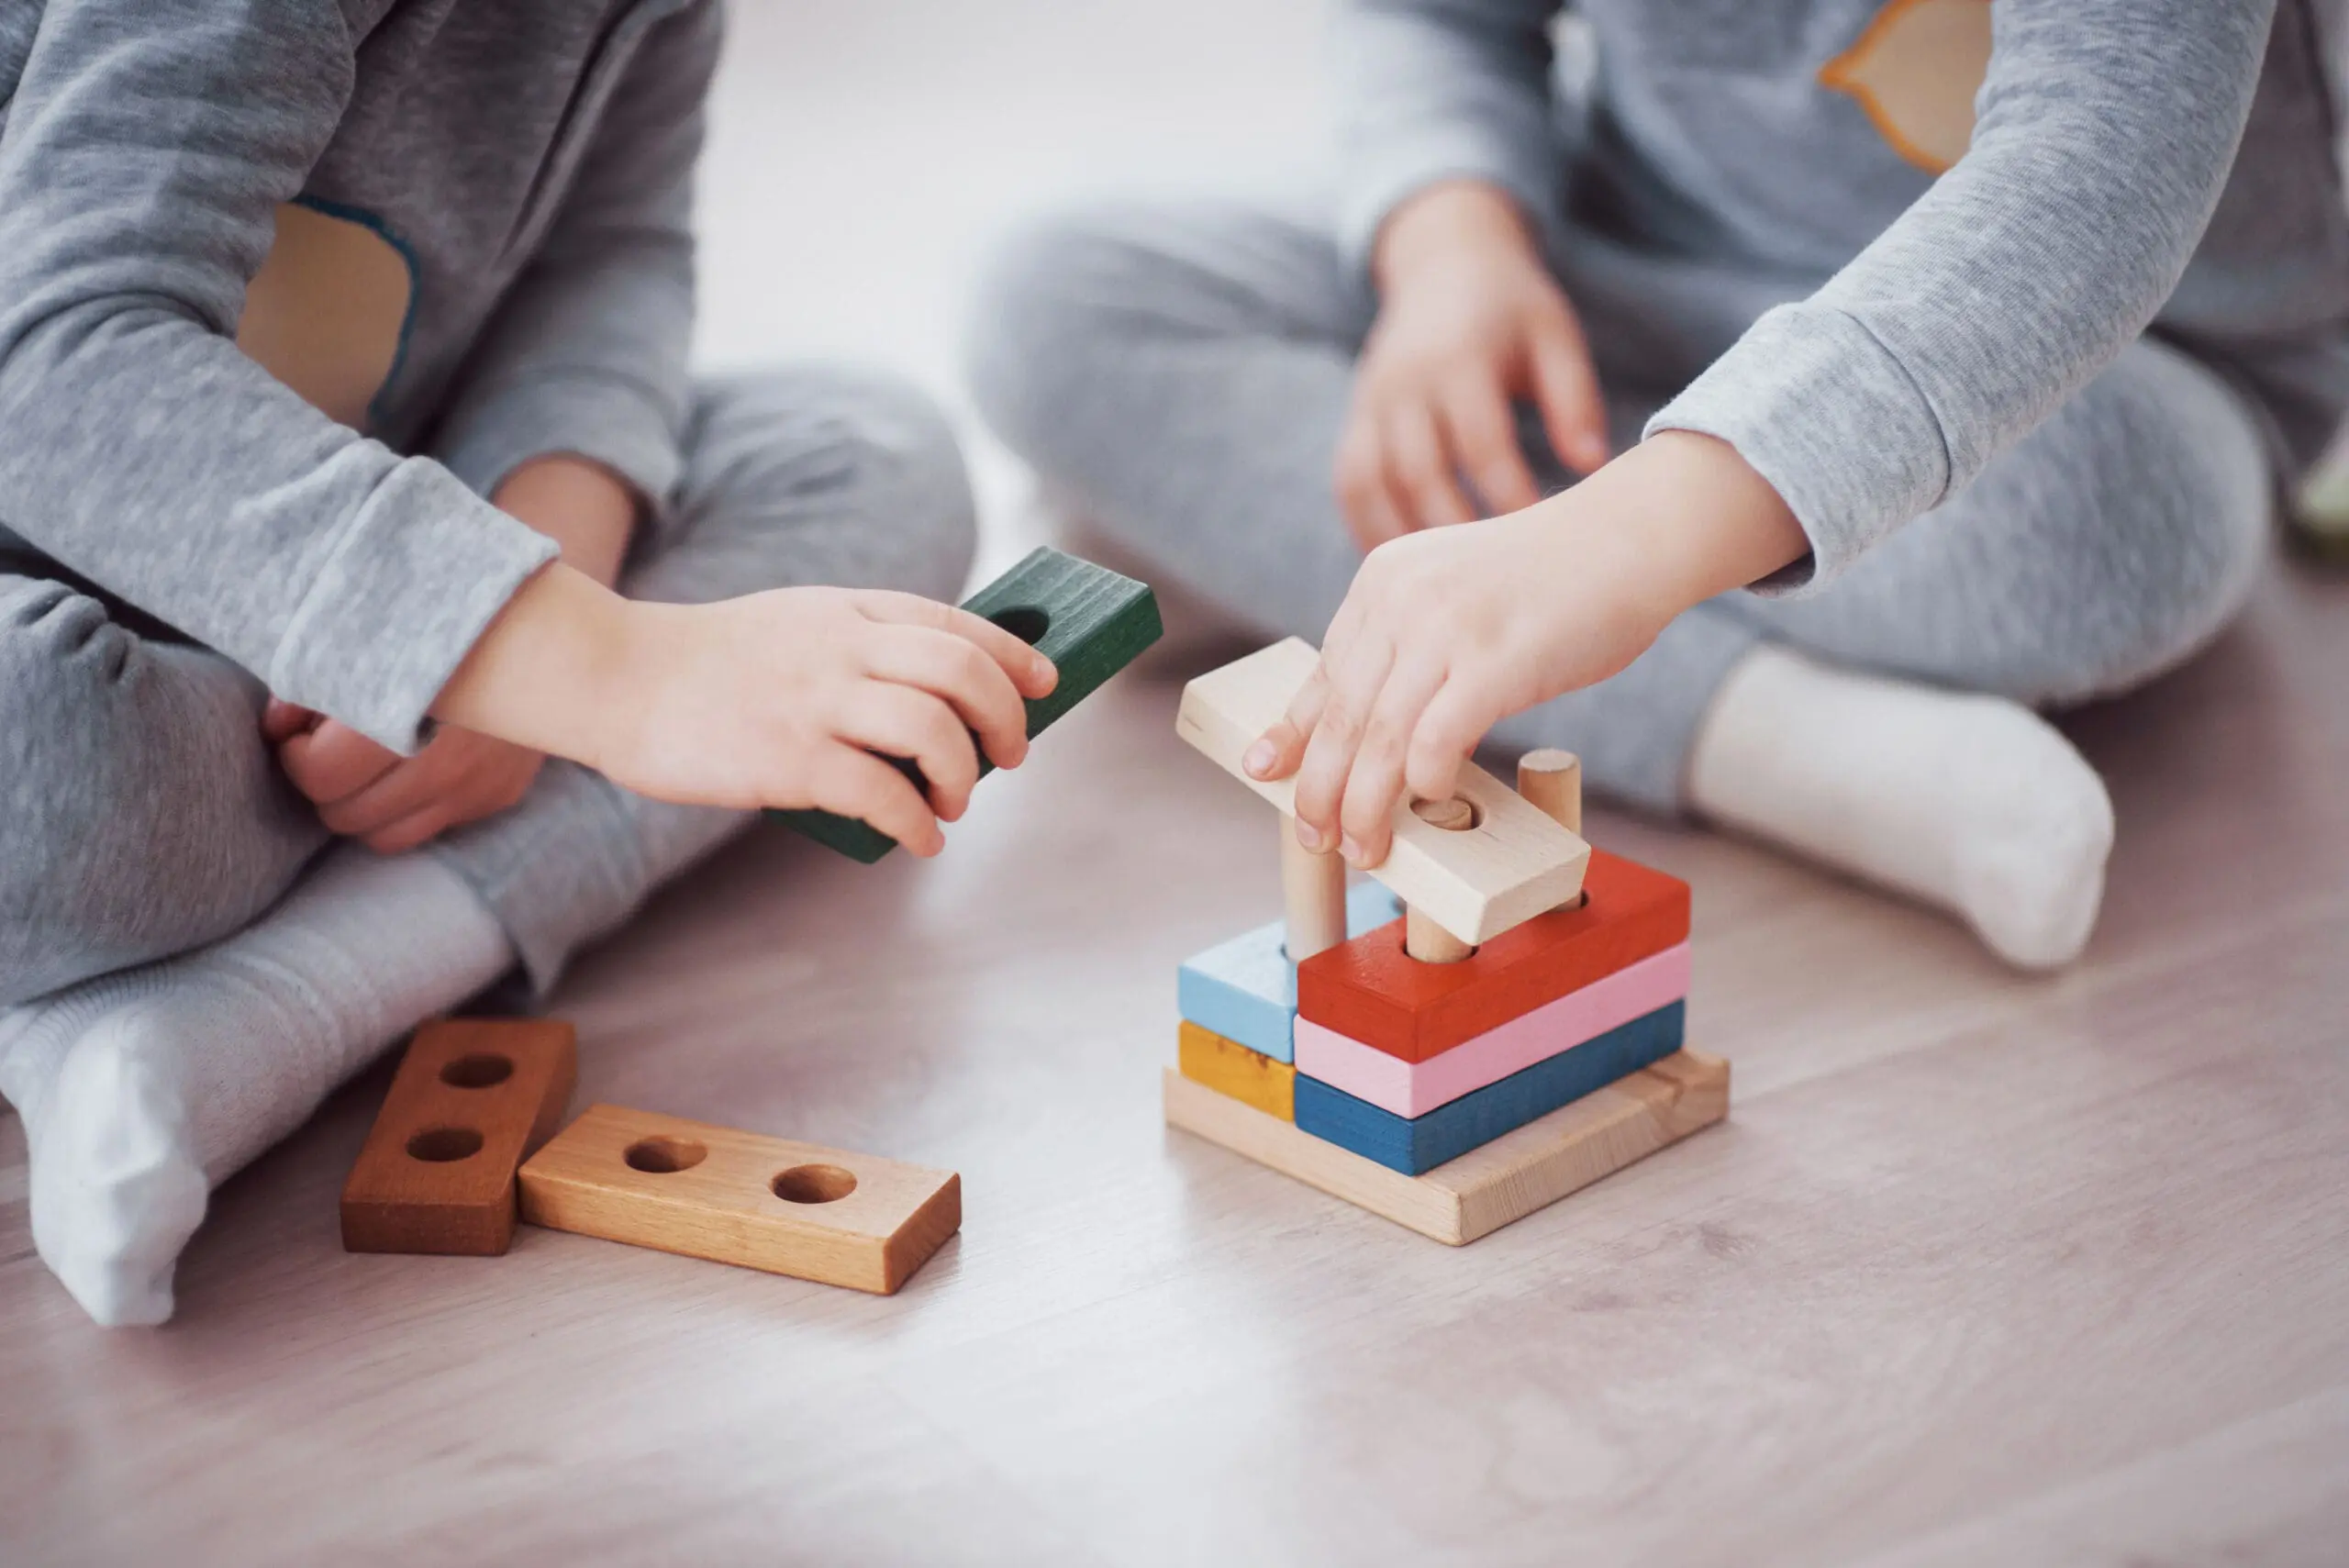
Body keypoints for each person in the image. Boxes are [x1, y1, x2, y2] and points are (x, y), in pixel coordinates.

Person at [0, 0, 1052, 1327]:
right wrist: (601, 674)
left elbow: (608, 256)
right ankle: (158, 987)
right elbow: (52, 362)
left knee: (869, 454)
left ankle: (228, 1013)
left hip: (355, 546)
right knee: (39, 766)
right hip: (47, 597)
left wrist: (538, 572)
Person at [971, 0, 2346, 968]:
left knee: (2092, 539)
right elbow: (1439, 21)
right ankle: (1762, 740)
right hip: (1615, 264)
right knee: (1057, 296)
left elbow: (2095, 172)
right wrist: (1451, 242)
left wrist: (1628, 542)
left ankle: (1310, 547)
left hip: (2094, 367)